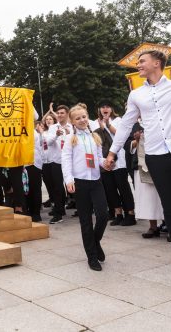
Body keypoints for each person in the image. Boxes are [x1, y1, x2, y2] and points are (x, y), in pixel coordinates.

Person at [106, 24, 171, 280]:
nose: (138, 64)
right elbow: (126, 124)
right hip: (157, 157)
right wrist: (113, 153)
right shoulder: (136, 95)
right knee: (169, 209)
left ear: (157, 63)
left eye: (142, 60)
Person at [62, 104, 107, 271]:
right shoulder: (70, 138)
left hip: (96, 181)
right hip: (80, 183)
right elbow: (66, 160)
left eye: (84, 117)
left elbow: (99, 158)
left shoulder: (94, 136)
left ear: (87, 117)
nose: (82, 120)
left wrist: (107, 163)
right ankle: (92, 256)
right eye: (78, 118)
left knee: (103, 215)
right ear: (73, 121)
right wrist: (68, 180)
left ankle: (95, 242)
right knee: (86, 221)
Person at [91, 101, 136, 226]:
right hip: (104, 160)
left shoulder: (118, 120)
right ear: (99, 109)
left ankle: (130, 214)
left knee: (123, 187)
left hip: (119, 159)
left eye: (107, 106)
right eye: (102, 107)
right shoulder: (95, 122)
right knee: (110, 189)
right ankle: (118, 214)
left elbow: (121, 135)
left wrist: (107, 124)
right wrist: (100, 128)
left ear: (111, 109)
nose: (105, 109)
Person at [130, 127, 164, 238]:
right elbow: (127, 145)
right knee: (148, 198)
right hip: (141, 164)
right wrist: (138, 140)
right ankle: (153, 226)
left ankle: (169, 225)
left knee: (163, 196)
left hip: (161, 161)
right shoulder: (133, 124)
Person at [45, 105, 73, 224]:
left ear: (67, 114)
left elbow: (74, 142)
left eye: (62, 113)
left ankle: (81, 208)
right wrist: (56, 134)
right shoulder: (52, 127)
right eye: (58, 113)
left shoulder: (72, 127)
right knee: (57, 187)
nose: (60, 115)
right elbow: (48, 142)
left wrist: (68, 134)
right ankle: (59, 212)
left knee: (73, 185)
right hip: (56, 161)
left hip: (69, 161)